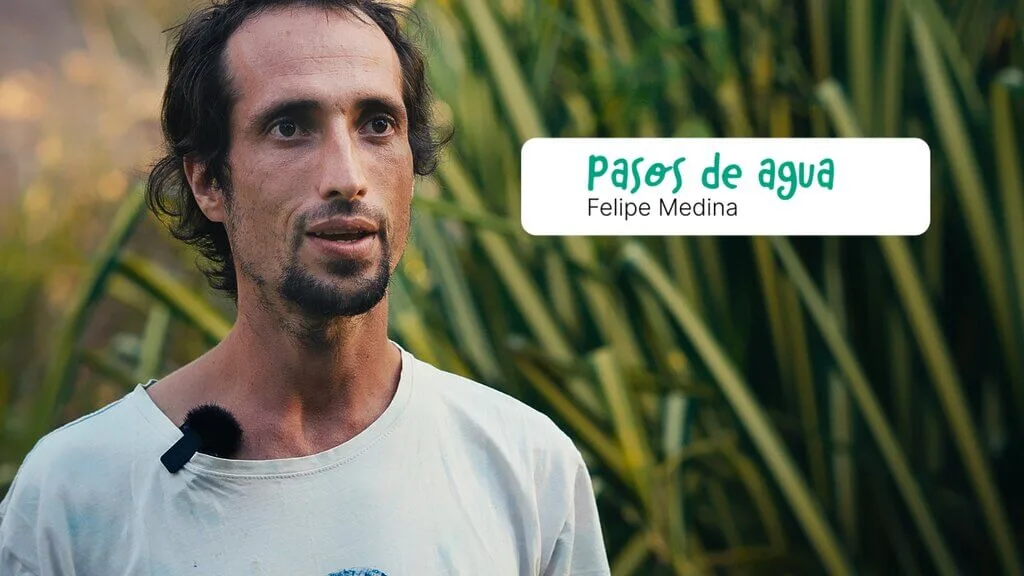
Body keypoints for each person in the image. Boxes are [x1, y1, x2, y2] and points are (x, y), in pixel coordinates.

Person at [0, 0, 611, 574]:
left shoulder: (526, 467)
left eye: (377, 124)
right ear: (208, 182)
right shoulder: (75, 495)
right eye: (290, 127)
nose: (347, 176)